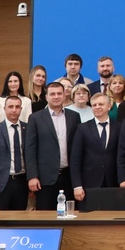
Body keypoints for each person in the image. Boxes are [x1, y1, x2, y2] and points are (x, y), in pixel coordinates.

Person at [25, 81, 81, 211]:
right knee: (45, 216)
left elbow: (77, 148)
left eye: (59, 93)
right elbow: (30, 149)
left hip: (68, 176)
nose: (56, 96)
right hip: (45, 178)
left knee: (70, 215)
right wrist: (32, 176)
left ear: (64, 95)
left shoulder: (74, 117)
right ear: (46, 97)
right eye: (52, 94)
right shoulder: (35, 118)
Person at [71, 92, 119, 205]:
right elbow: (75, 159)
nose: (97, 107)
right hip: (89, 184)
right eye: (94, 105)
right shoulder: (82, 128)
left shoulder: (120, 127)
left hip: (113, 183)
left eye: (101, 104)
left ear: (109, 106)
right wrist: (77, 185)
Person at [0, 95, 29, 211]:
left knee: (20, 219)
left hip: (22, 181)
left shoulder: (27, 128)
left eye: (17, 107)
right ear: (4, 109)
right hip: (2, 182)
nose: (14, 110)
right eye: (10, 107)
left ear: (21, 109)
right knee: (0, 219)